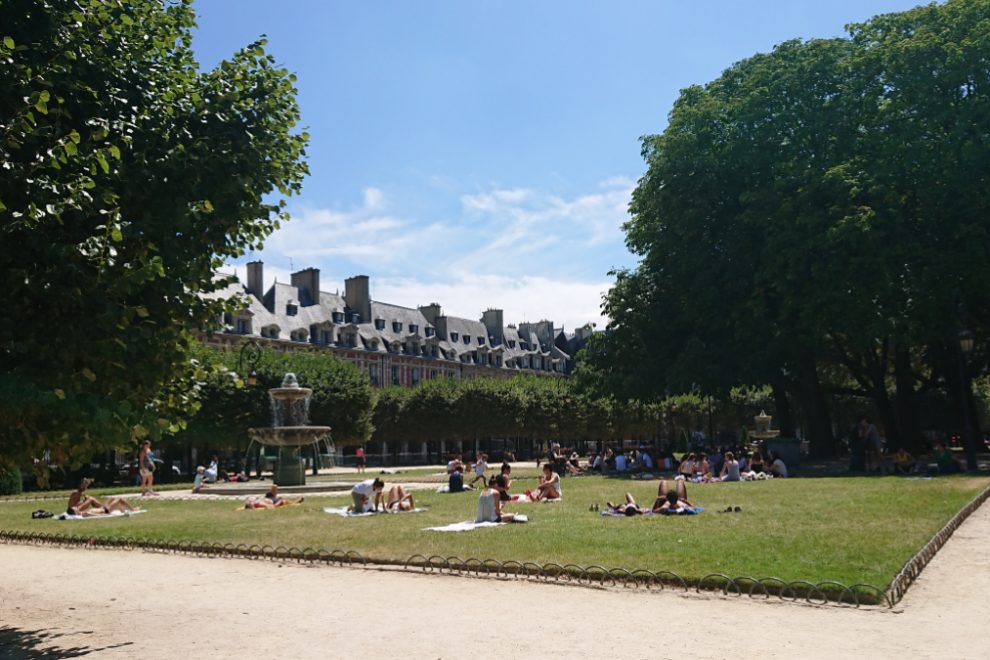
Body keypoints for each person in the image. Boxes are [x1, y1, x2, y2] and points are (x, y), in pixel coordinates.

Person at [67, 478, 135, 516]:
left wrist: (83, 501)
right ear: (80, 485)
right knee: (119, 499)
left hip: (103, 509)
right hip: (105, 511)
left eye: (86, 486)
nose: (86, 488)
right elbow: (73, 506)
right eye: (85, 486)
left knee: (112, 498)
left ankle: (124, 509)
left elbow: (76, 504)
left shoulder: (78, 493)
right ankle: (133, 509)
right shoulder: (76, 493)